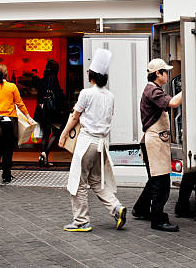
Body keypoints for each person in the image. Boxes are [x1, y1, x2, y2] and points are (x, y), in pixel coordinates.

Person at [59, 49, 127, 232]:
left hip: (87, 142)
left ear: (92, 75)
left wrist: (63, 135)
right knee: (96, 180)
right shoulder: (110, 96)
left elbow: (75, 117)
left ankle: (81, 221)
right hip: (101, 144)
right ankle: (116, 208)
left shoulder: (86, 94)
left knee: (79, 182)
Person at [132, 58, 182, 232]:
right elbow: (173, 103)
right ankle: (158, 219)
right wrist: (190, 85)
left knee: (155, 180)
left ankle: (140, 209)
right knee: (161, 183)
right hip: (154, 142)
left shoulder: (153, 89)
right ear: (158, 74)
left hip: (152, 141)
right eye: (165, 71)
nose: (168, 74)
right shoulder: (153, 91)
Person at [0, 63, 34, 184]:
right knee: (7, 149)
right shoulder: (11, 86)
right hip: (7, 121)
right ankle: (6, 175)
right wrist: (28, 116)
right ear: (5, 74)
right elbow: (20, 103)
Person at [37, 59, 66, 167]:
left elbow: (39, 95)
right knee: (56, 132)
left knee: (45, 133)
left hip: (43, 111)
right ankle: (45, 153)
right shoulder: (54, 78)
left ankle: (44, 158)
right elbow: (57, 95)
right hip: (53, 111)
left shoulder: (43, 78)